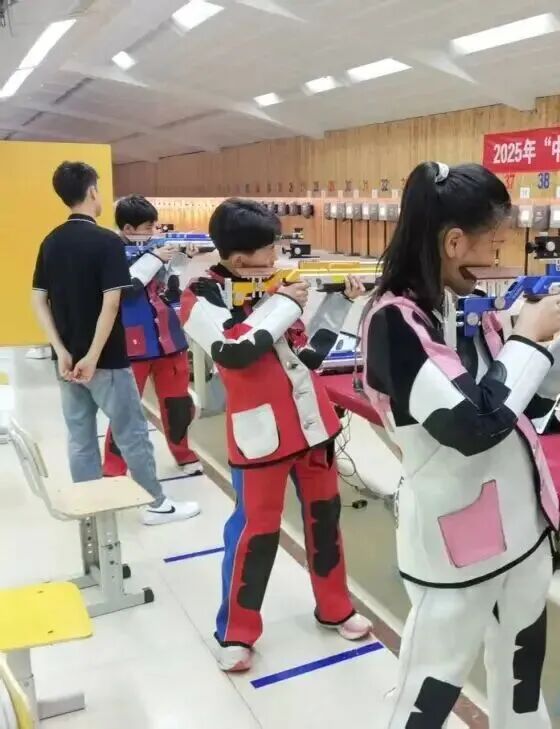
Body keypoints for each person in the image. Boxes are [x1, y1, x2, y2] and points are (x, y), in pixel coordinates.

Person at [361, 161, 560, 729]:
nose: (498, 258)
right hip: (458, 546)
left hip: (522, 532)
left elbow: (524, 401)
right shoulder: (396, 322)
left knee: (520, 678)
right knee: (428, 693)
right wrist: (525, 337)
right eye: (493, 244)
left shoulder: (469, 308)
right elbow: (472, 426)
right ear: (453, 243)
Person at [179, 198, 372, 672]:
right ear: (239, 258)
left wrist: (338, 303)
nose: (278, 257)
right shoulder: (199, 296)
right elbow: (235, 350)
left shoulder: (272, 286)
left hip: (313, 427)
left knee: (324, 523)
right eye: (270, 249)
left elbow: (309, 356)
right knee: (254, 533)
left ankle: (335, 607)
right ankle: (236, 631)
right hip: (260, 436)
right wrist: (284, 302)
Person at [30, 161, 200, 526]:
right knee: (133, 433)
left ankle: (91, 508)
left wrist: (62, 351)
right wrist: (93, 355)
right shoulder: (106, 241)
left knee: (80, 437)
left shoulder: (51, 241)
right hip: (106, 359)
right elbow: (111, 303)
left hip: (67, 362)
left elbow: (38, 299)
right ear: (92, 191)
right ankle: (156, 505)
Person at [102, 194, 201, 479]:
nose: (153, 232)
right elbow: (127, 286)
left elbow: (169, 285)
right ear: (128, 229)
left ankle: (183, 453)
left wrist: (181, 257)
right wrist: (154, 257)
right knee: (124, 409)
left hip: (169, 339)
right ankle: (114, 467)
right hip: (132, 344)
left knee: (178, 405)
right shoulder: (110, 254)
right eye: (148, 227)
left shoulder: (151, 249)